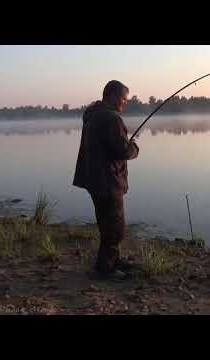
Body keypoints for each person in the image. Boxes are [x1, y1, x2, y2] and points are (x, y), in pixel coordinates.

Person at [73, 80, 139, 280]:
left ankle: (113, 259)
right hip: (108, 180)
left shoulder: (92, 115)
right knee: (115, 228)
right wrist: (134, 146)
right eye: (123, 98)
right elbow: (122, 150)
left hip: (93, 178)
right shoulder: (111, 119)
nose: (125, 103)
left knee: (106, 224)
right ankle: (105, 269)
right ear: (111, 95)